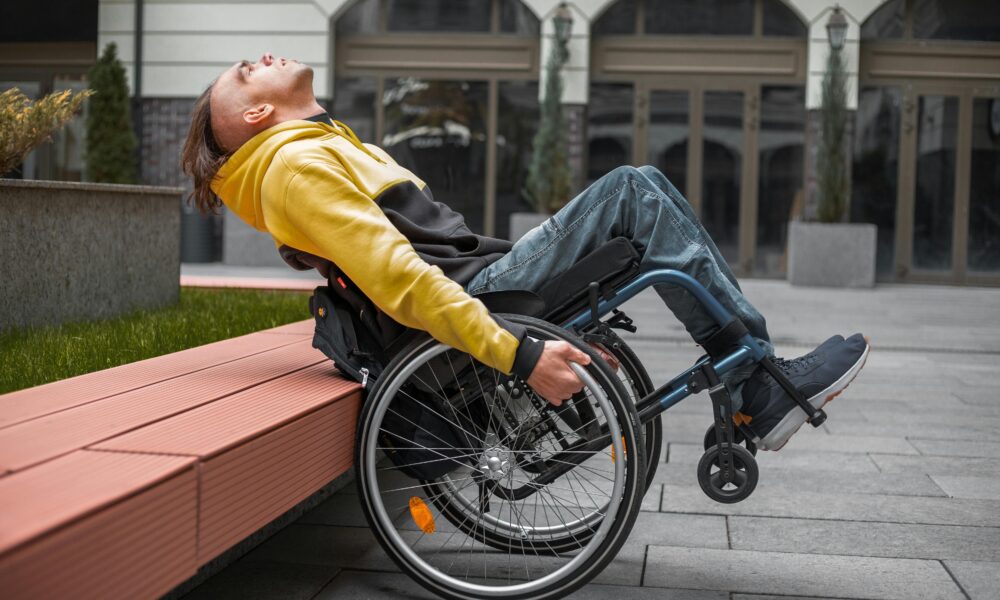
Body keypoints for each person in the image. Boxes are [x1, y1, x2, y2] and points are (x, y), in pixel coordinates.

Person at [182, 53, 869, 451]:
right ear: (255, 116)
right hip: (476, 299)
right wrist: (522, 350)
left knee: (643, 189)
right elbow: (401, 279)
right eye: (246, 73)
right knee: (634, 189)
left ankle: (755, 380)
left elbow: (439, 250)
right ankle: (757, 384)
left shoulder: (315, 149)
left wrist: (567, 316)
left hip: (486, 283)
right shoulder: (292, 170)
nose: (260, 60)